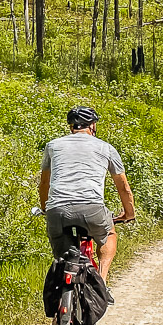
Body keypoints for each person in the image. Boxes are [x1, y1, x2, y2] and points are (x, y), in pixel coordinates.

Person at [39, 105, 136, 292]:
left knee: (62, 258)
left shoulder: (53, 146)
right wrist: (128, 213)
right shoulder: (106, 148)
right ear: (92, 126)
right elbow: (123, 187)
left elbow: (44, 183)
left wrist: (45, 209)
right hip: (92, 209)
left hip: (57, 211)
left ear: (71, 127)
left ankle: (60, 306)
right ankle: (101, 282)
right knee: (109, 234)